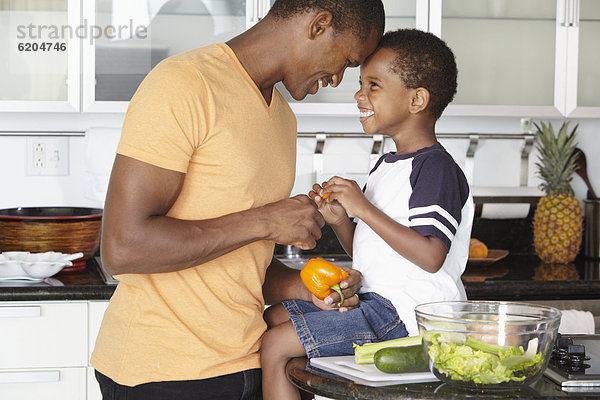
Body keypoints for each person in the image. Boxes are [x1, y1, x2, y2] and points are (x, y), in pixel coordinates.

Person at [90, 1, 385, 399]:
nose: (338, 79)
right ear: (319, 25)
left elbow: (242, 262)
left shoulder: (282, 117)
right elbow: (124, 247)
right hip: (164, 373)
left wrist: (303, 287)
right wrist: (265, 221)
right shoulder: (185, 83)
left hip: (249, 364)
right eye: (347, 60)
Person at [260, 28, 474, 400]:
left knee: (276, 345)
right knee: (271, 317)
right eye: (361, 83)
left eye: (373, 85)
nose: (359, 94)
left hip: (411, 319)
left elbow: (430, 255)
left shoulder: (435, 168)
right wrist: (342, 219)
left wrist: (363, 207)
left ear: (417, 99)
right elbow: (372, 248)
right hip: (380, 306)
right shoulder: (387, 165)